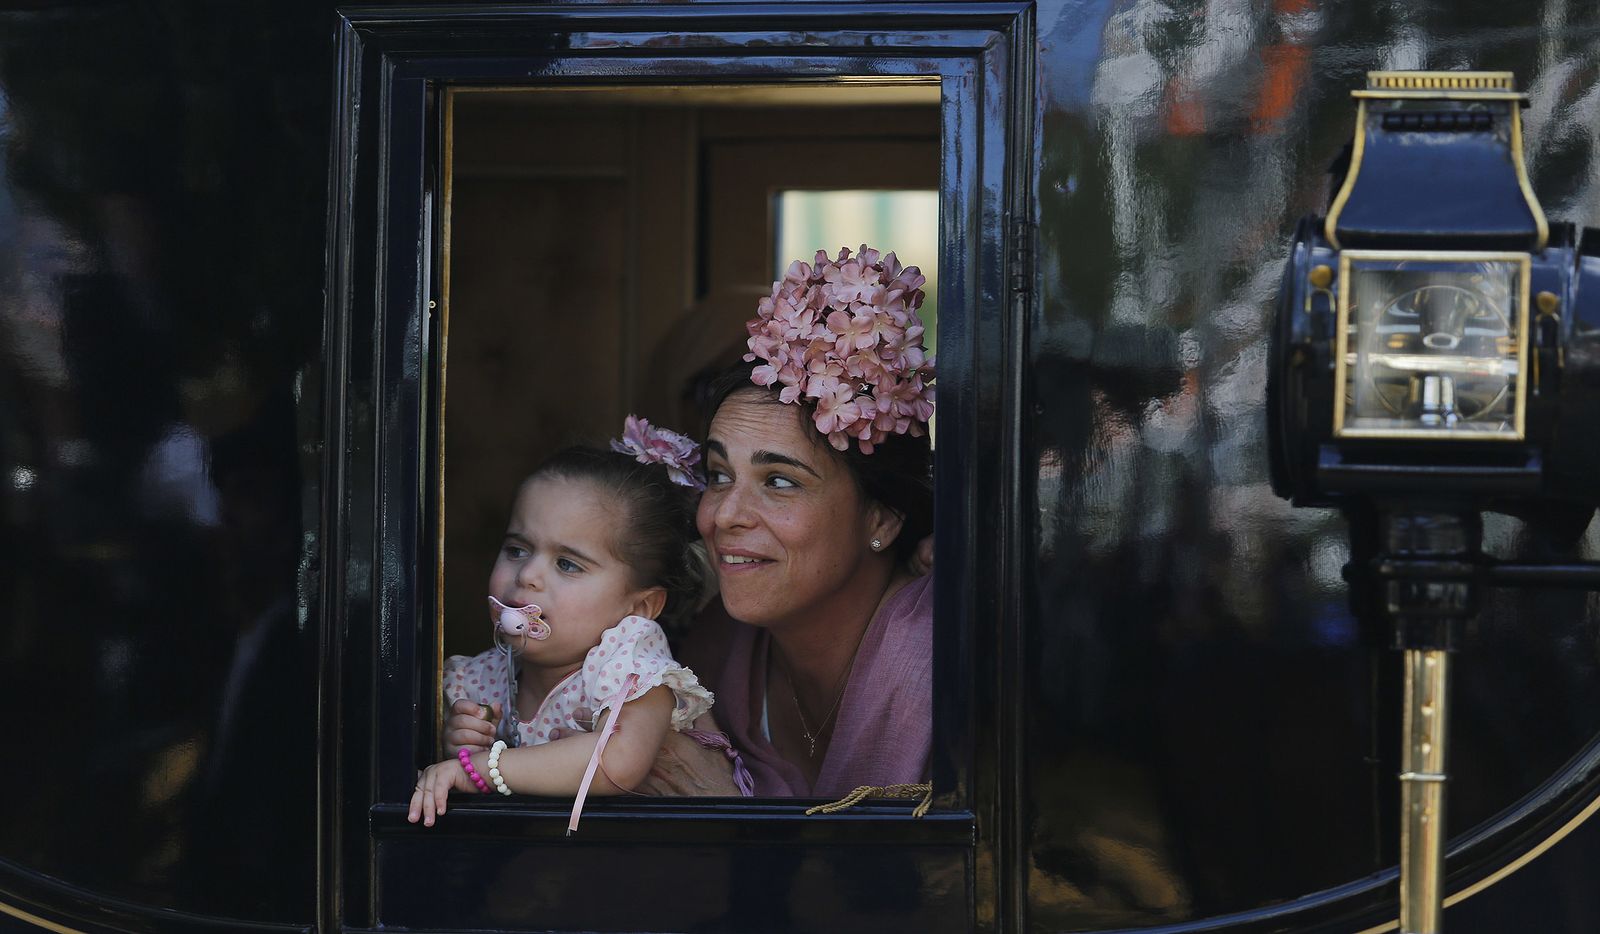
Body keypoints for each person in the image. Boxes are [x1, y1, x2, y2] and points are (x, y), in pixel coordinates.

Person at [443, 244, 937, 799]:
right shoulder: (713, 650)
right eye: (719, 475)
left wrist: (730, 818)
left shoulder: (945, 664)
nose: (722, 515)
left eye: (779, 481)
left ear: (885, 518)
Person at [409, 416, 730, 830]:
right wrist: (463, 745)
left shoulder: (631, 660)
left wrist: (483, 769)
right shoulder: (477, 679)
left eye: (567, 563)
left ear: (641, 607)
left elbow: (617, 762)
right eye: (517, 549)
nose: (527, 575)